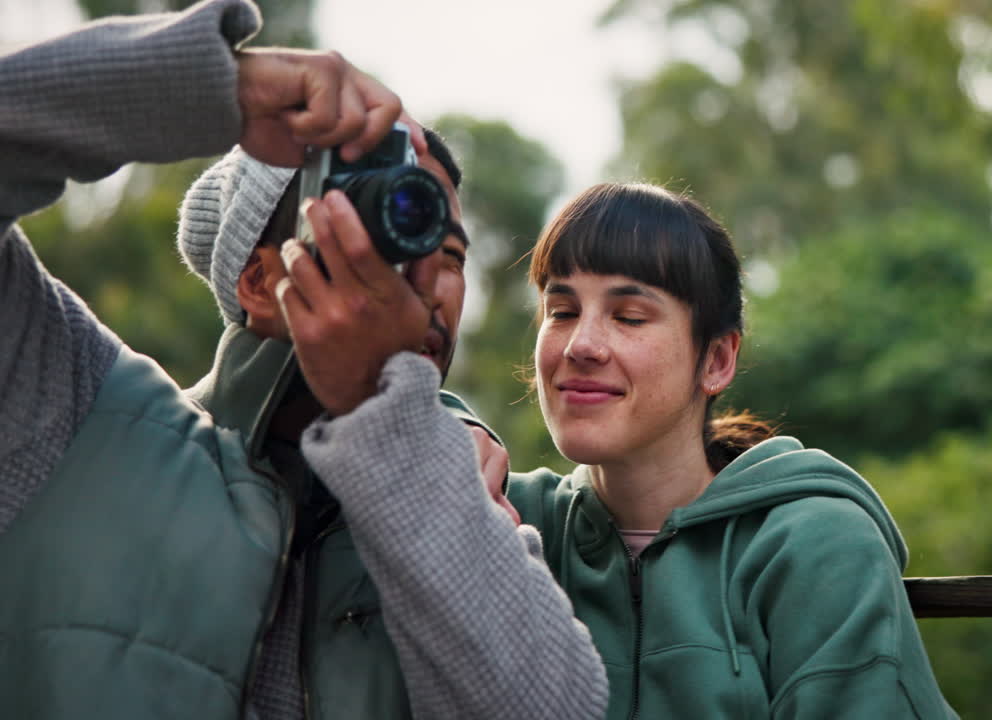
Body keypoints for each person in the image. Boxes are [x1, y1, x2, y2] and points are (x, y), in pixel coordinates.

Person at [0, 1, 606, 719]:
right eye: (380, 234)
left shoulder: (465, 504)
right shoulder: (73, 407)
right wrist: (214, 90)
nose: (425, 282)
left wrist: (383, 417)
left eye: (446, 252)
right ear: (258, 284)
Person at [503, 182, 960, 718]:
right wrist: (458, 425)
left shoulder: (815, 544)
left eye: (628, 316)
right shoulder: (508, 523)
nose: (581, 345)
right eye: (561, 310)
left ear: (717, 359)